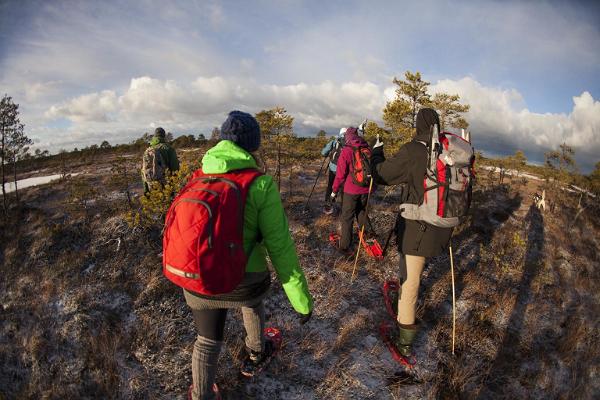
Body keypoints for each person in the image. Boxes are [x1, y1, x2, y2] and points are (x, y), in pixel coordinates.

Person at [182, 111, 313, 400]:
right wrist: (301, 302)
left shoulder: (198, 177)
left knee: (206, 340)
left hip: (197, 276)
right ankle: (255, 353)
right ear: (253, 146)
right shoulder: (261, 184)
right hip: (245, 281)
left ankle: (201, 395)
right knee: (252, 304)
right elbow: (281, 249)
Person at [370, 108, 453, 358]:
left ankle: (404, 341)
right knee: (411, 272)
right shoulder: (448, 151)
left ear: (419, 125)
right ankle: (402, 303)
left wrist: (376, 152)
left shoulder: (414, 150)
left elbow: (382, 174)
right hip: (443, 227)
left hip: (419, 228)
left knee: (410, 284)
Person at [330, 126, 375, 254]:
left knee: (347, 217)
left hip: (351, 190)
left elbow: (340, 175)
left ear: (347, 137)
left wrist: (334, 191)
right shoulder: (366, 148)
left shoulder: (347, 150)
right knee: (361, 212)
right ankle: (369, 236)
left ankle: (345, 246)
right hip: (366, 188)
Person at [141, 127, 180, 194]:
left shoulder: (148, 150)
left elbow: (143, 170)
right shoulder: (168, 148)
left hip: (150, 184)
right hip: (166, 185)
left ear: (155, 136)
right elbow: (175, 168)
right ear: (164, 136)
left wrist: (146, 190)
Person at [320, 128, 347, 211]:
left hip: (333, 168)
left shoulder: (335, 141)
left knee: (331, 185)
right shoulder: (349, 142)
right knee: (343, 188)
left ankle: (328, 204)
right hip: (344, 170)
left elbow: (323, 153)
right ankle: (344, 208)